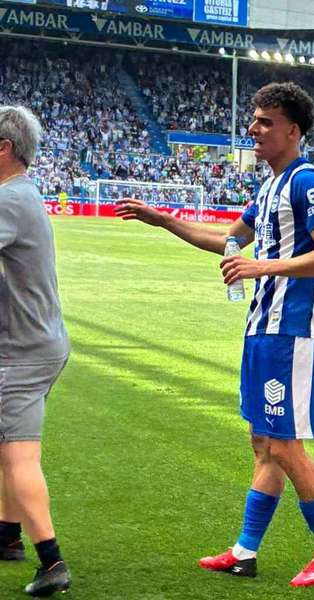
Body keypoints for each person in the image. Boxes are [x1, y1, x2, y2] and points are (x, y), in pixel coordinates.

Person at [115, 83, 314, 587]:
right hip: (261, 331)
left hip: (292, 335)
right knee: (263, 443)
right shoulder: (268, 187)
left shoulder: (307, 183)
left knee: (286, 446)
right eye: (254, 120)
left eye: (265, 121)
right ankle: (245, 551)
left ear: (292, 130)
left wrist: (259, 266)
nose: (253, 129)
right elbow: (225, 241)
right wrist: (163, 220)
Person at [0, 105, 72, 596]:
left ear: (4, 148)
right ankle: (7, 536)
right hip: (39, 342)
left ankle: (52, 562)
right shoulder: (22, 194)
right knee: (6, 446)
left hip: (22, 351)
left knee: (19, 453)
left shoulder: (9, 200)